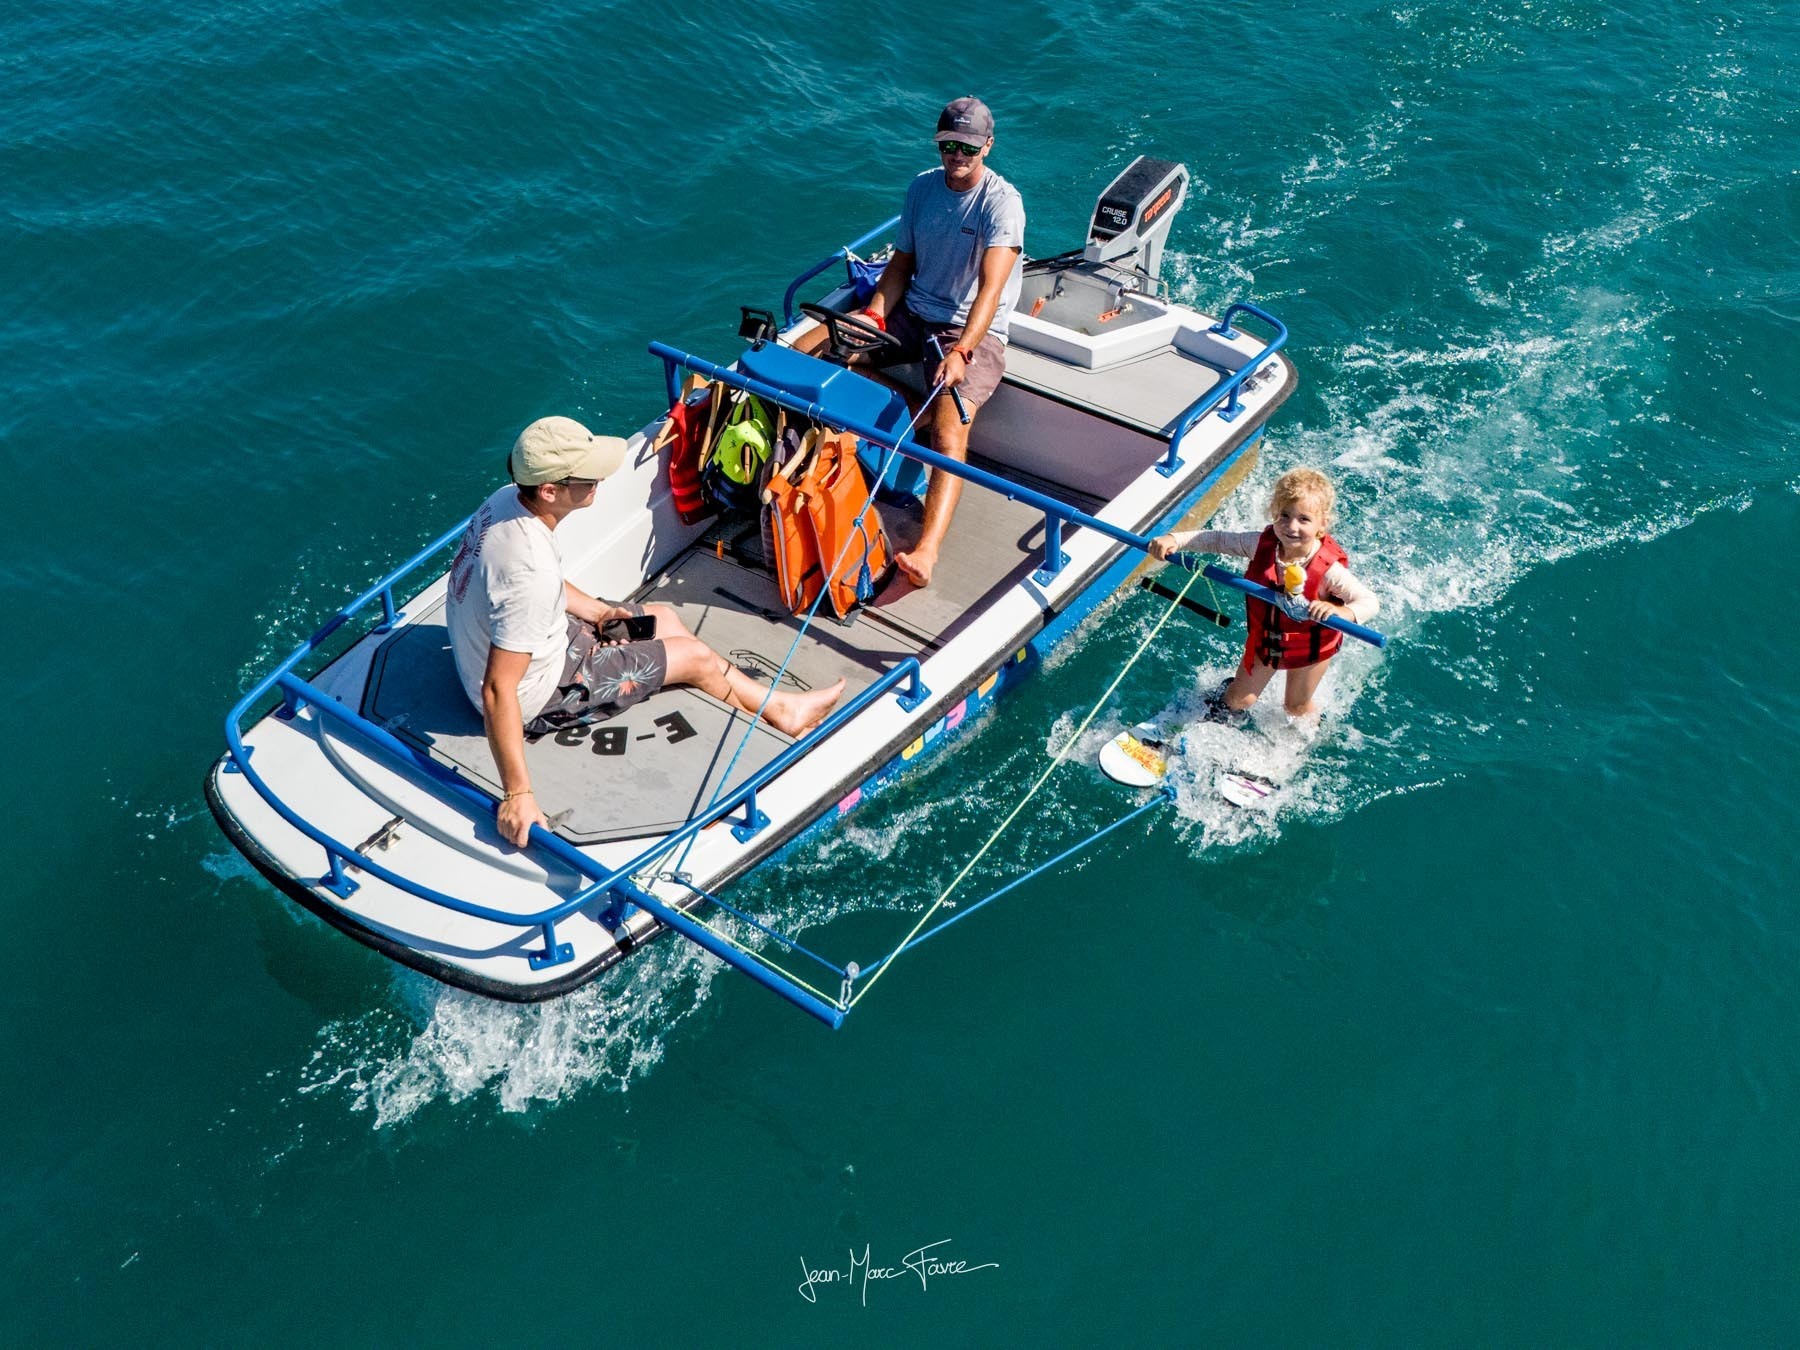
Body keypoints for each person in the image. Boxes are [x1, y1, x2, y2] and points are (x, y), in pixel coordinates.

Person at [448, 415, 845, 846]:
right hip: (538, 693)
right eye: (590, 477)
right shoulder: (530, 570)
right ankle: (781, 713)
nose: (599, 480)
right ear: (549, 491)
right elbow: (497, 689)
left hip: (540, 639)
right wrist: (518, 793)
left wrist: (601, 613)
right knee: (693, 658)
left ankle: (773, 706)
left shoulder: (505, 503)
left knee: (665, 622)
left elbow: (543, 588)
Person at [847, 95, 1026, 588]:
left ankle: (926, 549)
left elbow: (991, 290)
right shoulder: (922, 188)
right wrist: (873, 317)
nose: (957, 155)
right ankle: (906, 420)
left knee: (951, 428)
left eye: (967, 147)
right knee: (832, 357)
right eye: (948, 144)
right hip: (914, 312)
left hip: (972, 329)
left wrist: (963, 350)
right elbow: (900, 267)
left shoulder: (1002, 203)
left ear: (987, 146)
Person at [1150, 467, 1378, 720]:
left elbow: (1369, 602)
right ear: (1273, 514)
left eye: (1304, 519)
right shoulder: (1260, 545)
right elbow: (1217, 540)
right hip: (1268, 639)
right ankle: (1204, 717)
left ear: (1322, 525)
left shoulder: (1329, 571)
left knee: (1295, 707)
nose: (1291, 526)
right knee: (1239, 699)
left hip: (1311, 646)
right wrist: (1175, 539)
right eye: (1284, 515)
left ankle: (1308, 734)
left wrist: (1340, 611)